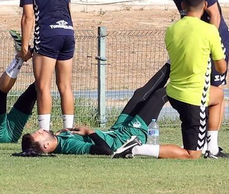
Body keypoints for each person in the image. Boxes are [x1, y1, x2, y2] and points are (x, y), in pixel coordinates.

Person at [21, 64, 199, 158]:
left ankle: (172, 61)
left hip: (117, 130)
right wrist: (90, 132)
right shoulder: (69, 147)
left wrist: (62, 132)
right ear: (46, 146)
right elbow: (106, 150)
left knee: (139, 95)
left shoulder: (60, 139)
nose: (41, 130)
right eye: (39, 134)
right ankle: (190, 78)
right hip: (126, 137)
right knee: (159, 95)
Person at [158, 0, 229, 157]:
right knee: (199, 92)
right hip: (198, 40)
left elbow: (214, 16)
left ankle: (212, 147)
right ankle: (204, 145)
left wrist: (209, 44)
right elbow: (186, 18)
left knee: (214, 90)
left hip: (213, 40)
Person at [17, 0, 77, 133]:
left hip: (48, 34)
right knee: (65, 85)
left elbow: (28, 17)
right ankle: (69, 132)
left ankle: (44, 133)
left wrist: (25, 46)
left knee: (42, 85)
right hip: (68, 32)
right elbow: (68, 9)